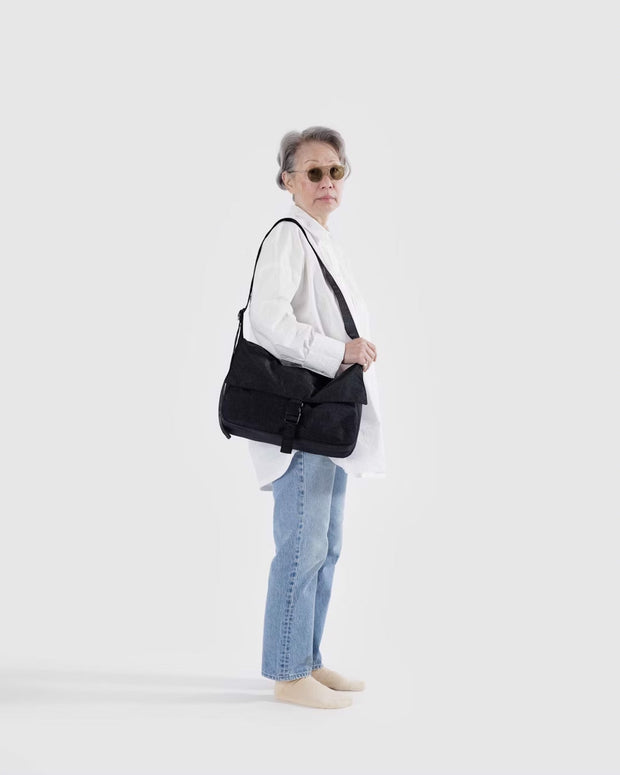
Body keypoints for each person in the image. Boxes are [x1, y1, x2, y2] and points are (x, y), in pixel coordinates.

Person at [244, 126, 387, 709]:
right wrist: (340, 352)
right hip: (301, 420)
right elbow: (268, 323)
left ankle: (307, 658)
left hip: (326, 420)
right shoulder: (288, 237)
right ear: (288, 181)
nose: (327, 181)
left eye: (336, 171)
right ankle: (287, 673)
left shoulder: (321, 240)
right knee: (302, 546)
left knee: (325, 546)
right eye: (313, 172)